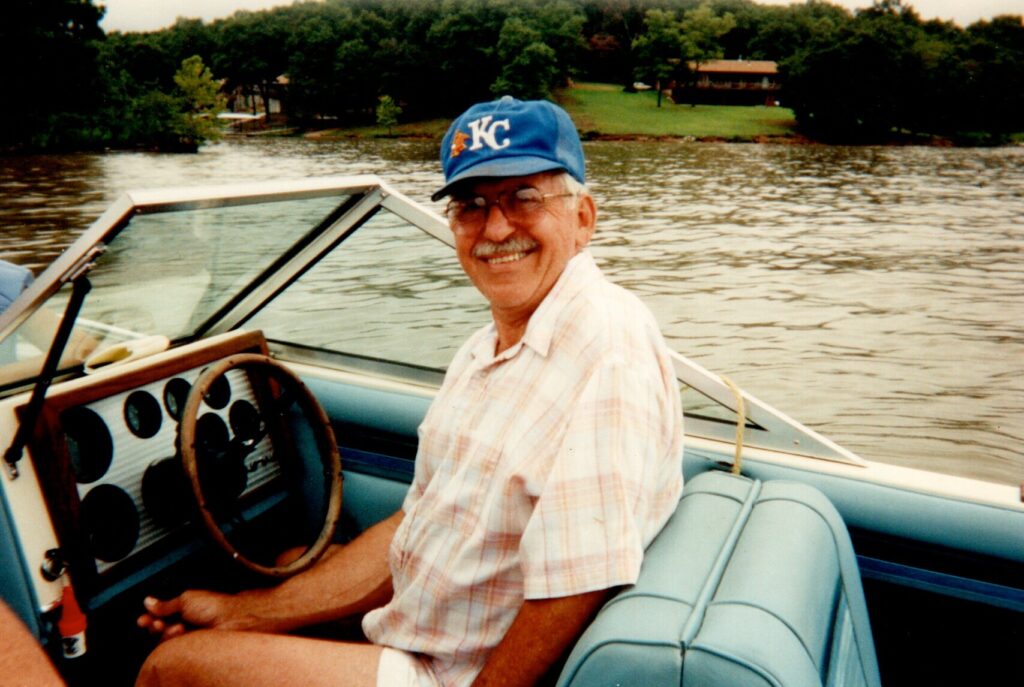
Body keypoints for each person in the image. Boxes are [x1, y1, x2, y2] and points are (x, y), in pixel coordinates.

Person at [136, 96, 684, 687]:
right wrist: (239, 613)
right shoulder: (485, 350)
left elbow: (576, 585)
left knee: (170, 669)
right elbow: (416, 525)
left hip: (450, 673)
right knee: (289, 562)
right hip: (421, 629)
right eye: (471, 206)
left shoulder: (608, 349)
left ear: (582, 219)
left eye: (524, 197)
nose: (496, 229)